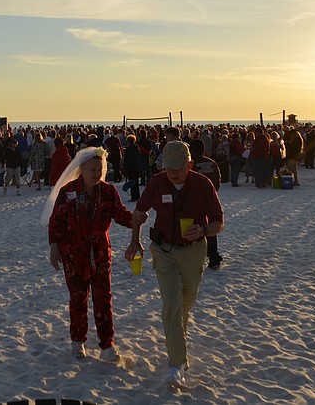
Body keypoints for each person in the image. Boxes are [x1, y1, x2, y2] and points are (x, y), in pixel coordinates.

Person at [125, 141, 224, 387]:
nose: (171, 173)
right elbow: (138, 213)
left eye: (177, 168)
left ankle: (177, 347)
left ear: (189, 165)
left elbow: (219, 222)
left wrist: (202, 229)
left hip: (194, 252)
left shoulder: (203, 185)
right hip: (163, 251)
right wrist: (135, 242)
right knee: (171, 304)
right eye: (167, 168)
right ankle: (177, 363)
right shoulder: (158, 183)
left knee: (185, 305)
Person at [42, 146, 134, 362]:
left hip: (100, 253)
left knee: (103, 298)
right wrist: (54, 248)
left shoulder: (108, 191)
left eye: (99, 169)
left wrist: (136, 220)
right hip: (73, 255)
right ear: (81, 169)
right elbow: (56, 222)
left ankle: (107, 343)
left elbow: (120, 214)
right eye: (92, 169)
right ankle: (78, 341)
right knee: (78, 298)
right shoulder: (68, 192)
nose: (96, 173)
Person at [189, 139, 223, 270]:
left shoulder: (193, 164)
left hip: (195, 200)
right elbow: (218, 179)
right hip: (210, 199)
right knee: (210, 229)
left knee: (193, 228)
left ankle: (195, 258)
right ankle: (214, 257)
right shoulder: (212, 163)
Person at [122, 134, 144, 201]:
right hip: (136, 168)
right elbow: (139, 159)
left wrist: (125, 168)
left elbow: (127, 160)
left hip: (131, 168)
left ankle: (134, 197)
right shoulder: (137, 149)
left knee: (132, 182)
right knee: (136, 183)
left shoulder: (128, 150)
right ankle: (137, 196)